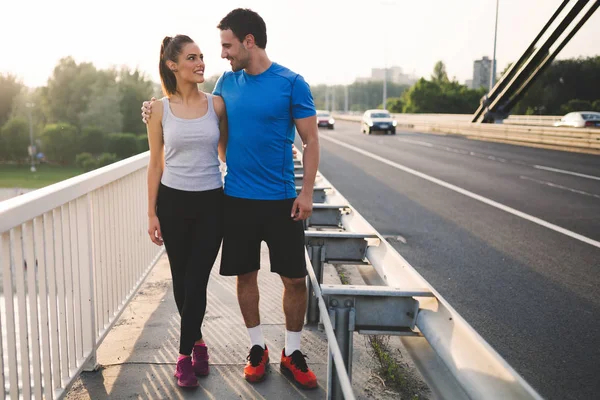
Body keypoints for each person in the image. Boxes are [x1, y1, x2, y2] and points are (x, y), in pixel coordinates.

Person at [143, 8, 320, 390]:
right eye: (209, 51)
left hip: (282, 199)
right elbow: (201, 119)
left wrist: (306, 191)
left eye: (225, 46)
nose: (219, 55)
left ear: (248, 41)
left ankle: (292, 352)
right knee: (245, 275)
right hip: (236, 198)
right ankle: (257, 349)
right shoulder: (227, 84)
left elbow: (311, 140)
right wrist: (152, 108)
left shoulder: (292, 83)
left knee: (294, 279)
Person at [145, 34, 228, 388]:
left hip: (212, 202)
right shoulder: (158, 109)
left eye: (202, 57)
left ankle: (182, 357)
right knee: (182, 280)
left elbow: (227, 150)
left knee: (197, 278)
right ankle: (197, 343)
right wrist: (151, 213)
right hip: (173, 203)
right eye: (191, 58)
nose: (200, 64)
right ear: (172, 64)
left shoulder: (218, 105)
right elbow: (154, 164)